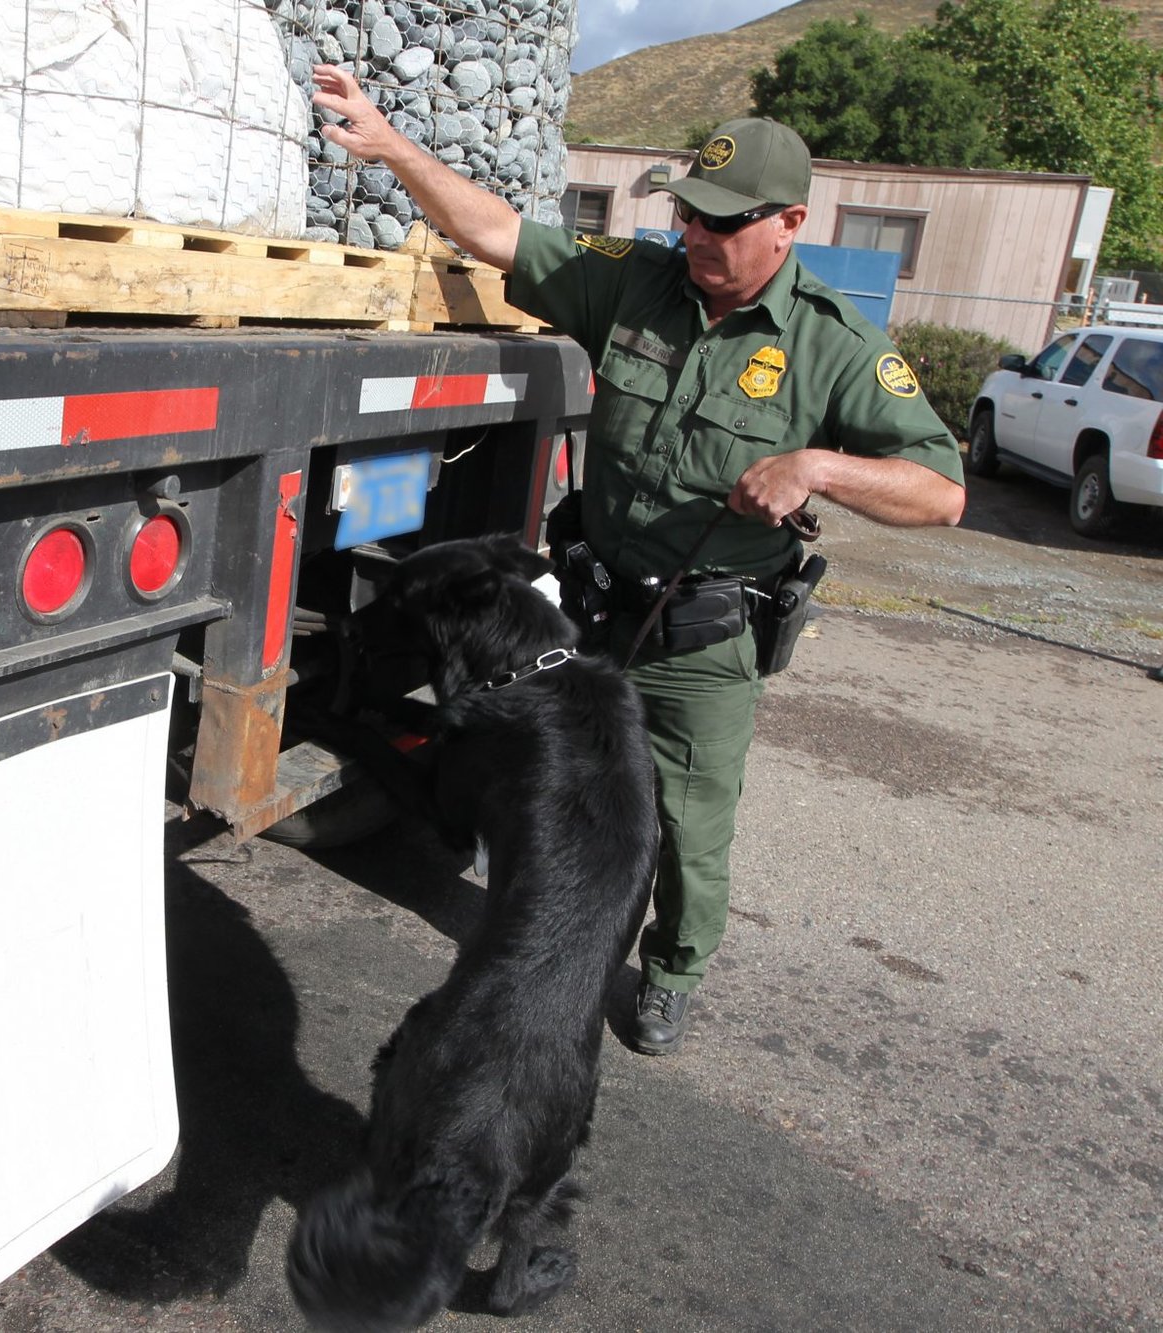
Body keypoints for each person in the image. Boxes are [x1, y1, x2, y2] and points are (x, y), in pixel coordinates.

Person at [310, 65, 966, 1055]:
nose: (694, 236)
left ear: (788, 222)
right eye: (689, 215)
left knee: (687, 830)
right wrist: (392, 145)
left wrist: (817, 466)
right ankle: (544, 918)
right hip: (593, 605)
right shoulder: (636, 281)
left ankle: (669, 971)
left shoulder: (832, 346)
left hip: (702, 639)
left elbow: (942, 491)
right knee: (561, 783)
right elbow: (501, 237)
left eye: (721, 223)